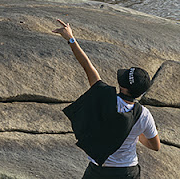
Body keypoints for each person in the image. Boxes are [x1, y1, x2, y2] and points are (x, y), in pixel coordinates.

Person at [52, 20, 160, 179]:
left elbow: (87, 65)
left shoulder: (104, 96)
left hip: (98, 169)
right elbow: (155, 146)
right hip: (127, 171)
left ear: (123, 87)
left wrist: (71, 38)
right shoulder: (143, 115)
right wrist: (136, 135)